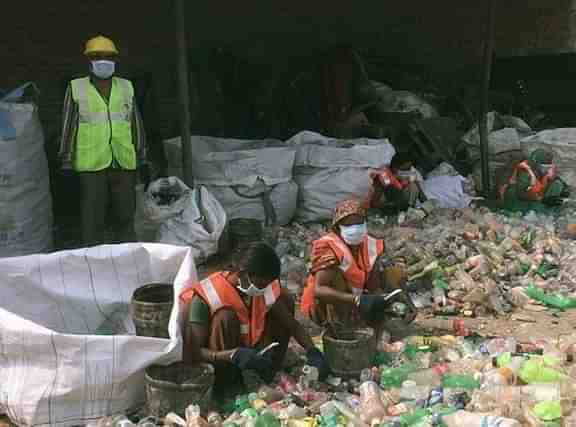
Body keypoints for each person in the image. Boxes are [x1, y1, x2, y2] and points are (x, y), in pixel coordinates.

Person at [181, 242, 329, 402]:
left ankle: (268, 371)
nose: (264, 289)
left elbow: (291, 324)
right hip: (220, 358)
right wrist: (231, 355)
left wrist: (312, 351)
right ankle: (227, 387)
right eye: (261, 284)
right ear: (243, 274)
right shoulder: (208, 295)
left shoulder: (261, 288)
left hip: (250, 349)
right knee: (225, 317)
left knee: (284, 298)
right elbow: (193, 351)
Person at [58, 35, 148, 246]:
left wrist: (142, 154)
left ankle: (126, 256)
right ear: (89, 61)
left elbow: (136, 122)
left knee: (126, 216)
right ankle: (94, 261)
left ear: (115, 60)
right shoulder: (76, 87)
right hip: (91, 164)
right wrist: (66, 159)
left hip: (123, 161)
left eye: (108, 56)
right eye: (97, 56)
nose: (103, 61)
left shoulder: (126, 87)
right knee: (92, 218)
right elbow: (68, 125)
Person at [300, 199, 416, 330]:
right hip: (327, 304)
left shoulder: (370, 245)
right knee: (336, 276)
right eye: (349, 225)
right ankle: (340, 325)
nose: (355, 229)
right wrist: (357, 300)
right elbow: (319, 289)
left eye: (359, 223)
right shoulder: (329, 247)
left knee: (394, 273)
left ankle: (368, 320)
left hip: (356, 298)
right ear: (338, 228)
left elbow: (374, 285)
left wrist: (388, 300)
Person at [498, 149, 569, 213]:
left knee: (557, 185)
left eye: (548, 166)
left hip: (535, 197)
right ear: (536, 163)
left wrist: (564, 189)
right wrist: (543, 199)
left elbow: (554, 178)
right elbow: (522, 194)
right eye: (544, 165)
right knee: (540, 209)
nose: (547, 168)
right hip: (518, 202)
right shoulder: (525, 171)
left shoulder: (540, 170)